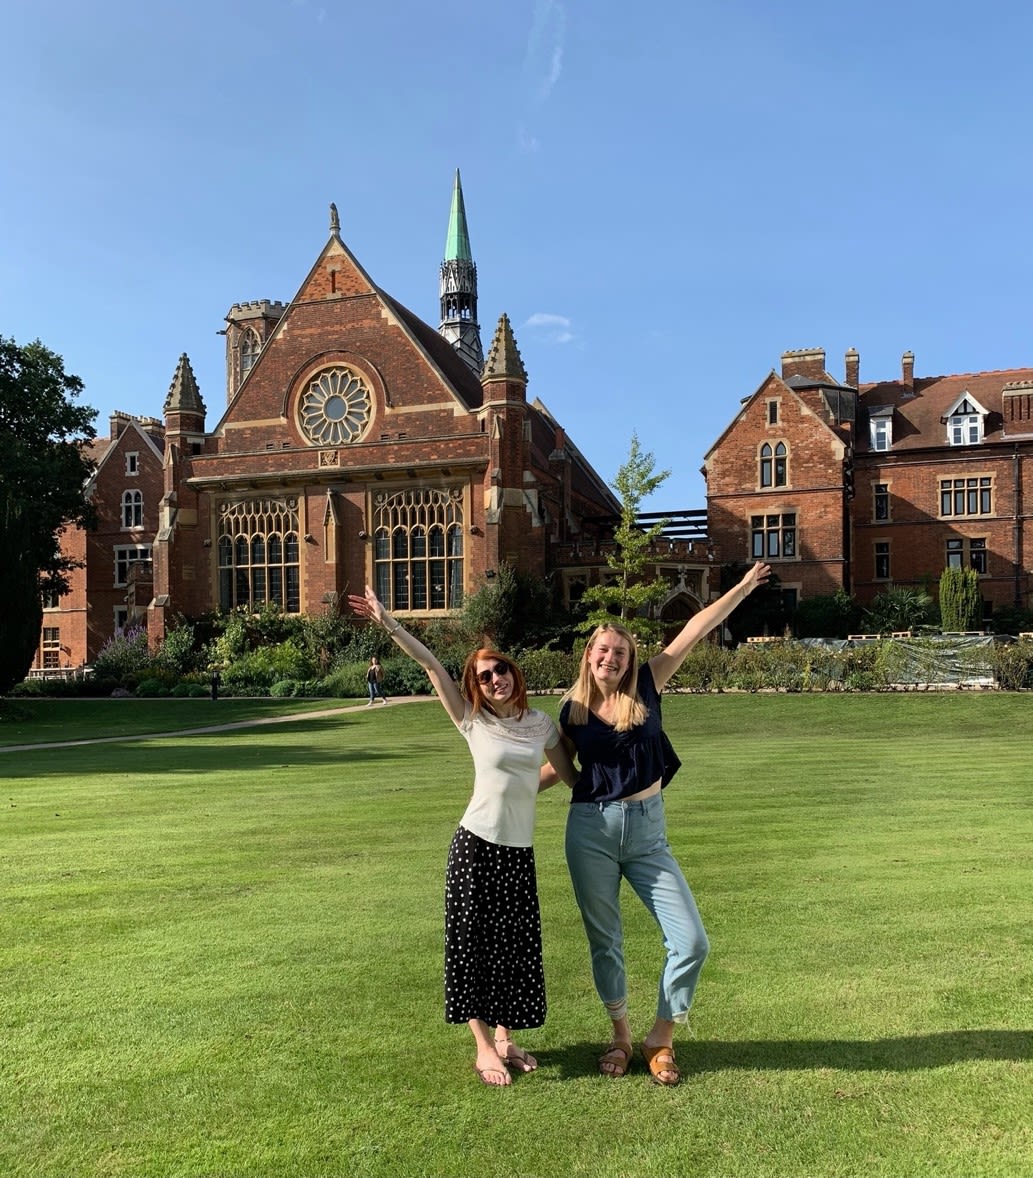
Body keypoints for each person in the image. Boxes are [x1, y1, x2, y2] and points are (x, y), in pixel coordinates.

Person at [545, 561, 770, 1086]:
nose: (611, 658)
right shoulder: (571, 709)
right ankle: (622, 1036)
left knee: (691, 941)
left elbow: (695, 627)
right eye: (603, 650)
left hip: (648, 832)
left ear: (630, 660)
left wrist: (740, 588)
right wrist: (506, 789)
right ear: (589, 655)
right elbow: (560, 768)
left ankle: (660, 1036)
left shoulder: (648, 683)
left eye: (620, 652)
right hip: (591, 831)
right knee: (605, 941)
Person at [348, 586, 580, 1087]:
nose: (494, 679)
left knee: (514, 947)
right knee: (471, 946)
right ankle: (483, 1047)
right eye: (484, 676)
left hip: (517, 853)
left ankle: (506, 1037)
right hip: (475, 846)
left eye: (499, 670)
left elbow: (566, 775)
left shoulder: (541, 725)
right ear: (475, 687)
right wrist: (389, 623)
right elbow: (432, 665)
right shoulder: (472, 720)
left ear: (513, 672)